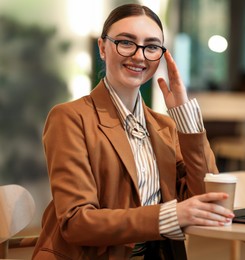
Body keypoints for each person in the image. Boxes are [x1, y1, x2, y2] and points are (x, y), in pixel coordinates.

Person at [32, 4, 234, 260]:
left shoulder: (165, 127)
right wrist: (170, 215)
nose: (139, 56)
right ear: (103, 48)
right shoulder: (70, 118)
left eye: (151, 46)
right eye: (126, 42)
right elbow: (76, 221)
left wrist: (185, 117)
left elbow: (206, 198)